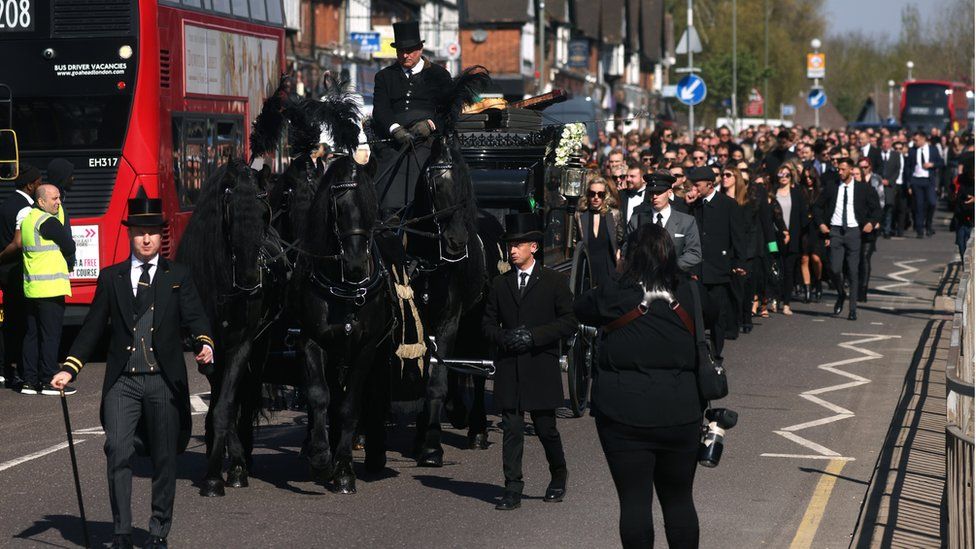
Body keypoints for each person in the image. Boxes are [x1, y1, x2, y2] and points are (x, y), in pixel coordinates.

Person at [50, 196, 215, 549]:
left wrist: (205, 342)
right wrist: (69, 367)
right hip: (122, 382)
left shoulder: (178, 276)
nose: (145, 240)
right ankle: (121, 531)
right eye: (139, 233)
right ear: (130, 236)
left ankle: (158, 530)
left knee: (165, 456)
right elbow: (92, 328)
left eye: (152, 234)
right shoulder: (112, 277)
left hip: (163, 381)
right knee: (118, 451)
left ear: (160, 237)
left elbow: (196, 317)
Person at [574, 224, 706, 549]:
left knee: (634, 502)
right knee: (679, 501)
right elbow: (712, 316)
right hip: (681, 412)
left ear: (629, 256)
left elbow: (580, 308)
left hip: (624, 415)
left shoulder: (615, 292)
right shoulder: (687, 291)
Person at [481, 213, 576, 511]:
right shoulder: (500, 283)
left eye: (518, 245)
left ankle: (558, 475)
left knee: (546, 428)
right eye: (510, 245)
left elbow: (569, 321)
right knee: (511, 429)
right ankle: (513, 487)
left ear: (533, 247)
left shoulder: (554, 282)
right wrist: (504, 337)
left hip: (540, 367)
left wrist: (534, 337)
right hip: (510, 367)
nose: (511, 250)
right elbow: (486, 325)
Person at [371, 20, 453, 212]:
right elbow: (380, 109)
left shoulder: (440, 75)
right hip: (394, 141)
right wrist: (395, 129)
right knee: (384, 178)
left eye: (410, 50)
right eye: (401, 51)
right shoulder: (384, 77)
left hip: (428, 141)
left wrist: (431, 124)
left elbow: (448, 109)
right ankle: (388, 215)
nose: (405, 55)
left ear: (420, 48)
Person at [21, 184, 75, 395]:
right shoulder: (48, 221)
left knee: (32, 335)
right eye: (54, 199)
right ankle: (48, 379)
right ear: (41, 201)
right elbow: (69, 246)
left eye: (59, 198)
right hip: (50, 289)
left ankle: (29, 381)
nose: (58, 202)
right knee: (50, 336)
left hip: (32, 287)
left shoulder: (28, 219)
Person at [813, 158, 881, 321]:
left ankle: (852, 309)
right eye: (839, 169)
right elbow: (817, 206)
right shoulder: (832, 187)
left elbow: (877, 210)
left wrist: (871, 223)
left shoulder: (863, 189)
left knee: (852, 270)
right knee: (835, 269)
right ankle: (841, 294)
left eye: (843, 169)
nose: (840, 172)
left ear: (851, 170)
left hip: (853, 232)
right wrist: (821, 224)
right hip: (835, 231)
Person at [688, 166, 745, 358]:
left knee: (718, 314)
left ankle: (716, 352)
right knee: (698, 313)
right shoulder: (693, 205)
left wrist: (739, 262)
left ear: (710, 185)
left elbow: (737, 236)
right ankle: (700, 352)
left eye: (697, 185)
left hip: (719, 268)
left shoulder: (727, 204)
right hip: (697, 268)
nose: (694, 188)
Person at [0, 163, 41, 391]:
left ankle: (5, 370)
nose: (40, 185)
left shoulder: (7, 203)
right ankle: (20, 372)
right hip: (16, 271)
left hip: (6, 273)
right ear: (30, 185)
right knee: (21, 325)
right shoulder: (24, 209)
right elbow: (17, 244)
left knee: (7, 323)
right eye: (38, 182)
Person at [629, 170, 702, 273]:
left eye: (659, 192)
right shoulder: (636, 220)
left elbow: (694, 253)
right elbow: (627, 249)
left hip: (675, 281)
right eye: (652, 192)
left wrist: (671, 267)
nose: (654, 196)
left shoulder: (686, 221)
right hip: (644, 279)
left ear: (669, 193)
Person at [573, 174, 624, 287]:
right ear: (587, 195)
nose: (596, 197)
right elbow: (576, 242)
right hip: (587, 270)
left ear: (605, 195)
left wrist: (619, 258)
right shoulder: (580, 215)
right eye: (592, 194)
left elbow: (620, 239)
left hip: (608, 267)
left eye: (600, 194)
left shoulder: (614, 214)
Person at [772, 164, 809, 315]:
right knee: (774, 269)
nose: (784, 178)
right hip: (774, 238)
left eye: (787, 175)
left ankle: (786, 303)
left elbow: (803, 217)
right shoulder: (772, 192)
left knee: (788, 271)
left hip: (792, 239)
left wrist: (799, 235)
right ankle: (774, 299)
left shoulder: (797, 193)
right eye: (781, 175)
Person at [905, 131, 944, 238]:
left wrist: (932, 164)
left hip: (929, 180)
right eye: (914, 140)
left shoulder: (933, 149)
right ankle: (919, 229)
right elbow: (908, 167)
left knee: (932, 203)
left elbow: (941, 163)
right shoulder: (912, 150)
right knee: (919, 205)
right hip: (916, 180)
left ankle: (928, 224)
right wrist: (909, 183)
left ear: (923, 139)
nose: (914, 142)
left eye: (916, 140)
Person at [857, 158, 884, 301]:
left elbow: (881, 202)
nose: (862, 170)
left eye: (865, 167)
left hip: (870, 226)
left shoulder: (874, 182)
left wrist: (875, 221)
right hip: (854, 227)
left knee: (865, 257)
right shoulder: (849, 186)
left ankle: (863, 290)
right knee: (856, 259)